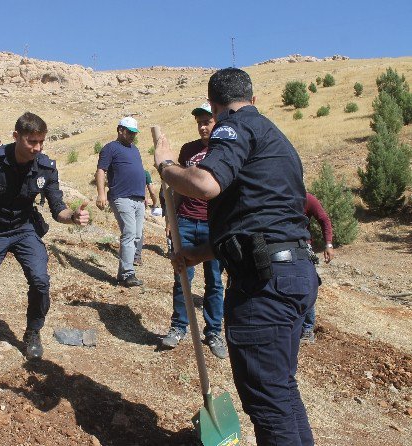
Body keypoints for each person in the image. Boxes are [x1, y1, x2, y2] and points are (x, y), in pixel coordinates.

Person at [154, 68, 317, 445]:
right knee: (281, 390)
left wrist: (165, 165)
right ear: (254, 99)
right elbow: (261, 219)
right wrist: (199, 253)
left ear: (215, 106)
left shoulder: (234, 127)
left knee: (268, 401)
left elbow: (206, 184)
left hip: (265, 287)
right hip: (295, 273)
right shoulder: (277, 140)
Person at [0, 112, 89, 385]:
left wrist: (74, 219)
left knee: (40, 280)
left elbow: (58, 208)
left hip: (24, 228)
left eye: (41, 142)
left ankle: (33, 332)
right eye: (32, 141)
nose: (38, 148)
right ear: (16, 136)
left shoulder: (45, 166)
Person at [160, 102, 226, 359]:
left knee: (215, 281)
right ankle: (178, 327)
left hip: (213, 225)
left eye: (207, 121)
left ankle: (213, 332)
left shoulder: (223, 150)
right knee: (182, 277)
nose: (202, 126)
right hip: (186, 221)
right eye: (199, 122)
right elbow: (178, 187)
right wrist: (171, 219)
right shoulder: (188, 150)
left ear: (216, 121)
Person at [95, 117, 146, 287]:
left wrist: (143, 196)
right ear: (120, 130)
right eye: (130, 132)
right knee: (130, 233)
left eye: (134, 133)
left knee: (137, 235)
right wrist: (101, 194)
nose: (132, 135)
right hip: (121, 197)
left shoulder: (135, 149)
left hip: (138, 198)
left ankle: (122, 273)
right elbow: (101, 170)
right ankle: (127, 274)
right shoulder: (110, 148)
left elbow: (138, 172)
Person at [301, 192, 335, 343]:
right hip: (279, 245)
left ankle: (308, 328)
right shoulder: (278, 196)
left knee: (309, 286)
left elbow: (324, 219)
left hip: (302, 246)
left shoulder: (307, 198)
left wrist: (328, 244)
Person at [134, 169, 160, 265]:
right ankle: (136, 257)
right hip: (140, 202)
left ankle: (126, 255)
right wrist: (155, 203)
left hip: (125, 202)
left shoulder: (126, 170)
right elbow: (152, 191)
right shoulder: (145, 173)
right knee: (139, 230)